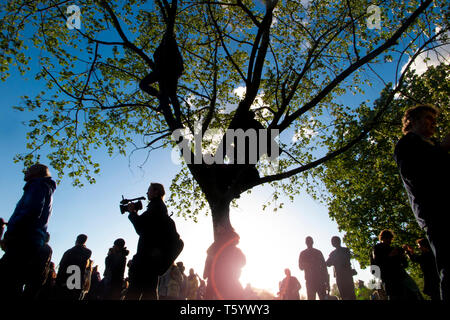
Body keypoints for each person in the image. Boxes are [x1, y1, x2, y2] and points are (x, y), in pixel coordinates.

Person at [394, 104, 450, 300]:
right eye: (428, 118)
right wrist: (442, 150)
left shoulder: (434, 144)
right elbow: (413, 174)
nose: (433, 123)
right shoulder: (406, 145)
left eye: (435, 121)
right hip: (435, 212)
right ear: (413, 121)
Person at [0, 164, 57, 299]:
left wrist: (12, 232)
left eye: (29, 169)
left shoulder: (37, 185)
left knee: (6, 281)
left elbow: (32, 211)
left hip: (22, 240)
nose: (25, 172)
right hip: (30, 240)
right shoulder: (45, 188)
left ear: (37, 172)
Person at [125, 182, 183, 300]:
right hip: (153, 260)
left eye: (149, 190)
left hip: (144, 259)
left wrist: (132, 212)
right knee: (149, 292)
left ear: (156, 192)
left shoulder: (155, 208)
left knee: (134, 292)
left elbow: (141, 228)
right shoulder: (160, 209)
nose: (147, 193)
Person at [371, 230, 422, 300]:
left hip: (401, 278)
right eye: (387, 238)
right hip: (390, 281)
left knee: (414, 294)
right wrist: (390, 255)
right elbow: (375, 267)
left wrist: (404, 254)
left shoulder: (394, 249)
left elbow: (405, 264)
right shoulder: (377, 249)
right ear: (382, 238)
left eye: (390, 238)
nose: (389, 241)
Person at [203, 227, 246, 299]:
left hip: (217, 281)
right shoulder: (235, 250)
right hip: (229, 281)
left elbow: (208, 262)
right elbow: (243, 262)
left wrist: (205, 273)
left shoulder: (214, 248)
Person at [55, 234, 92, 300]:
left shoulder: (68, 252)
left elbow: (62, 267)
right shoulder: (87, 253)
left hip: (66, 281)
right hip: (78, 282)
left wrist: (58, 282)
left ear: (77, 240)